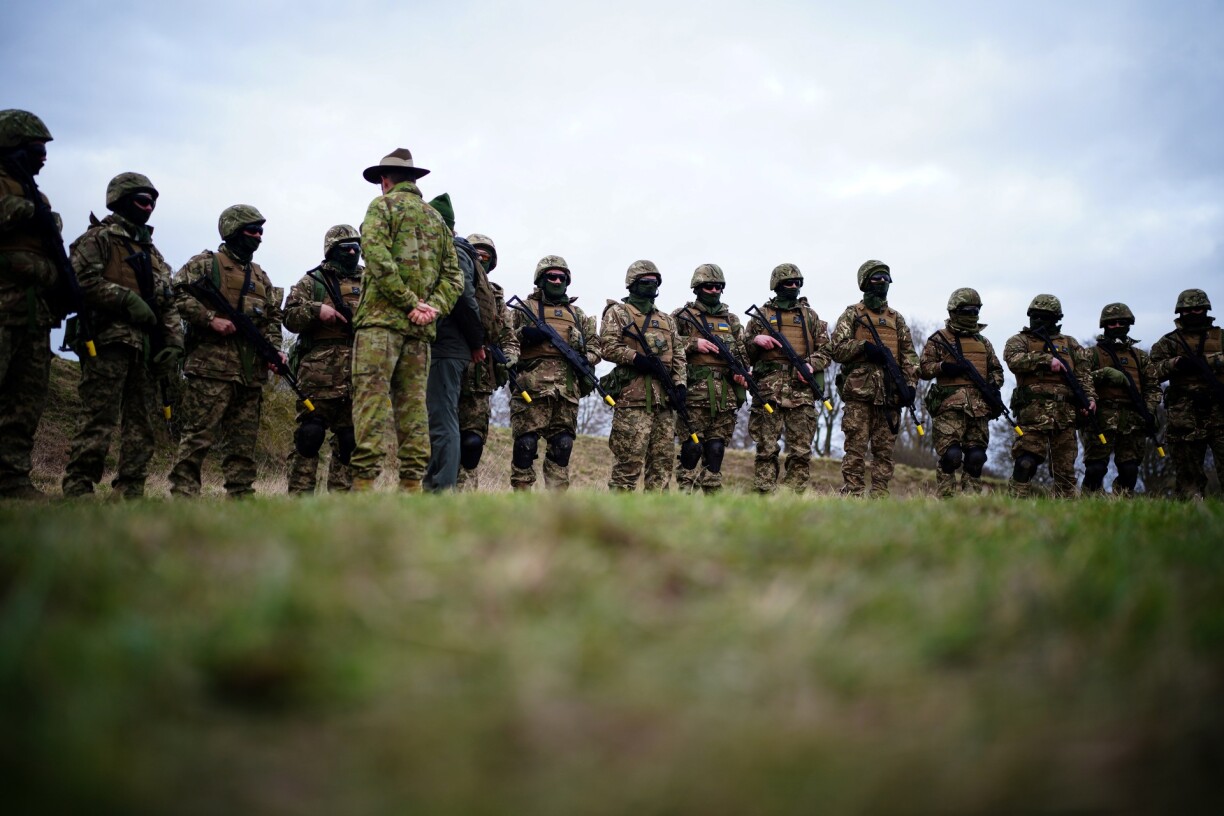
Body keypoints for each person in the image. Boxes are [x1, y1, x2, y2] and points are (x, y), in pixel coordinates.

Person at [62, 172, 184, 498]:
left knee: (142, 424)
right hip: (107, 342)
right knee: (97, 418)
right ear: (121, 199)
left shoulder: (152, 253)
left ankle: (130, 490)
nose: (149, 207)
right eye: (142, 200)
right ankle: (78, 488)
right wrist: (126, 300)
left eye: (153, 202)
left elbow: (168, 302)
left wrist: (173, 344)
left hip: (146, 349)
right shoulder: (98, 239)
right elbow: (79, 280)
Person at [350, 148, 462, 492]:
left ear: (385, 181)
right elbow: (454, 277)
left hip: (380, 325)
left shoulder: (381, 207)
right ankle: (411, 487)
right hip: (420, 330)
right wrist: (431, 308)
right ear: (413, 181)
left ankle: (364, 486)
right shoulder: (437, 221)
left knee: (371, 402)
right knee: (414, 410)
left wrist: (408, 301)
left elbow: (376, 257)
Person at [169, 204, 284, 498]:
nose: (258, 236)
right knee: (197, 437)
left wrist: (275, 351)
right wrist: (209, 319)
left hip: (250, 374)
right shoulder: (206, 264)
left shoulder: (261, 277)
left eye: (261, 231)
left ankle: (241, 496)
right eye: (252, 230)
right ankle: (184, 495)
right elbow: (174, 295)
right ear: (233, 230)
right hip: (211, 369)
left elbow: (272, 318)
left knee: (243, 444)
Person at [0, 109, 60, 500]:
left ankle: (12, 479)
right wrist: (34, 212)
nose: (43, 157)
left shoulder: (39, 198)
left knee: (26, 400)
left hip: (35, 314)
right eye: (36, 149)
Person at [282, 224, 363, 495]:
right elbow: (290, 317)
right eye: (345, 248)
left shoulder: (371, 282)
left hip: (358, 375)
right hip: (317, 376)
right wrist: (318, 310)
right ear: (331, 251)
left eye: (356, 247)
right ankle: (300, 499)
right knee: (310, 436)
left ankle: (341, 504)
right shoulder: (313, 282)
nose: (352, 252)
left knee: (350, 440)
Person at [830, 260, 919, 498]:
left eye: (885, 279)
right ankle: (853, 494)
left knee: (884, 452)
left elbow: (910, 356)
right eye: (876, 279)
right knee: (855, 450)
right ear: (865, 283)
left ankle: (880, 496)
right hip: (859, 393)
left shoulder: (896, 319)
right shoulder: (853, 314)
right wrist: (864, 348)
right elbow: (836, 349)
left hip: (891, 394)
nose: (882, 283)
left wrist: (910, 385)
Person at [508, 255, 597, 491]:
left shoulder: (578, 315)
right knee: (525, 445)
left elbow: (598, 347)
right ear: (540, 279)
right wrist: (524, 335)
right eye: (551, 276)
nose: (557, 281)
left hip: (566, 392)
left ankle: (557, 504)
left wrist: (584, 354)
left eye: (561, 277)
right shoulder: (524, 309)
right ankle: (521, 498)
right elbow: (503, 340)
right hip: (530, 388)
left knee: (563, 445)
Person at [599, 260, 686, 491]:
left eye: (655, 282)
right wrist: (637, 359)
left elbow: (678, 355)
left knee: (662, 468)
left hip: (664, 403)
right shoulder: (618, 312)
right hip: (632, 401)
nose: (651, 285)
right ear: (632, 284)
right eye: (645, 281)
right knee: (627, 466)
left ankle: (655, 520)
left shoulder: (667, 320)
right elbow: (607, 346)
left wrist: (680, 385)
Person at [744, 262, 831, 494]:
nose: (793, 286)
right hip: (767, 392)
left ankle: (792, 498)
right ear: (776, 285)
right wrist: (755, 341)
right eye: (788, 283)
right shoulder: (761, 316)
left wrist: (811, 366)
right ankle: (764, 496)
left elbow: (827, 350)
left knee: (801, 452)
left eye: (797, 283)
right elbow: (742, 354)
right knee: (766, 449)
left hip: (801, 392)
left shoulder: (810, 316)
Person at [1003, 294, 1096, 498]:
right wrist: (1046, 360)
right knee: (1025, 462)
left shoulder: (1071, 345)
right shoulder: (1020, 340)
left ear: (1055, 319)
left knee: (1064, 472)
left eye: (1044, 317)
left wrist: (1089, 399)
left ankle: (1065, 512)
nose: (1037, 321)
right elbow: (1013, 360)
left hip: (1065, 416)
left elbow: (1083, 376)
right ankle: (1014, 503)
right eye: (1034, 316)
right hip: (1032, 414)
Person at [422, 193, 485, 492]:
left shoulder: (454, 252)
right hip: (444, 346)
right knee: (436, 418)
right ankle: (432, 484)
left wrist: (476, 342)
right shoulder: (446, 250)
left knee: (444, 421)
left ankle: (441, 489)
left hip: (448, 347)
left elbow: (464, 299)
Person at [917, 287, 1002, 497]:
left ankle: (971, 502)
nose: (971, 315)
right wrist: (944, 368)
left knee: (976, 458)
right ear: (954, 311)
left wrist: (994, 386)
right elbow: (923, 368)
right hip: (949, 408)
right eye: (967, 310)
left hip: (979, 409)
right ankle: (945, 500)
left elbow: (996, 370)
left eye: (975, 311)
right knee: (951, 456)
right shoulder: (938, 339)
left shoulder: (983, 343)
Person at [671, 264, 749, 494]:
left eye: (718, 287)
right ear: (697, 288)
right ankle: (685, 492)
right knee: (692, 448)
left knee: (716, 449)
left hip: (724, 395)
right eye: (709, 287)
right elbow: (667, 346)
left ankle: (713, 495)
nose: (714, 291)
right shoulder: (681, 316)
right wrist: (694, 344)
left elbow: (743, 355)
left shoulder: (731, 320)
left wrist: (742, 372)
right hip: (693, 395)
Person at [1149, 289, 1224, 499]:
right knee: (1188, 480)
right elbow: (1149, 372)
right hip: (1184, 416)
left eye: (1198, 308)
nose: (1193, 312)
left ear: (1206, 309)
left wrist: (1215, 361)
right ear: (1180, 312)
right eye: (1188, 309)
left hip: (1219, 411)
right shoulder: (1170, 342)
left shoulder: (1221, 337)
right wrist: (1176, 364)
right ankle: (1191, 519)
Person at [456, 233, 517, 490]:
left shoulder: (496, 297)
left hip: (480, 382)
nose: (481, 260)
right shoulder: (448, 284)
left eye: (486, 256)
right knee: (437, 442)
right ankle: (433, 500)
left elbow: (508, 337)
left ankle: (465, 499)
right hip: (447, 374)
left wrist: (510, 359)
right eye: (476, 255)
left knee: (472, 445)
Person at [1081, 303, 1160, 496]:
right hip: (1100, 418)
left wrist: (1148, 411)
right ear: (1105, 325)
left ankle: (1120, 502)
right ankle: (1089, 501)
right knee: (1095, 469)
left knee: (1130, 470)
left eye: (1121, 322)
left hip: (1133, 419)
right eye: (1112, 323)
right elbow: (1080, 380)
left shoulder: (1140, 357)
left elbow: (1153, 387)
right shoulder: (1091, 354)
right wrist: (1103, 374)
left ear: (1129, 324)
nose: (1116, 326)